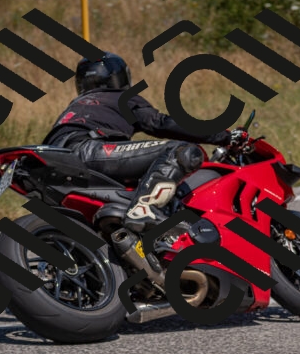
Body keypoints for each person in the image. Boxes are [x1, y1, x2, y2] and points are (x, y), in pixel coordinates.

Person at [43, 52, 232, 233]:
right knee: (182, 151)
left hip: (54, 160)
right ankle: (143, 210)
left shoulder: (75, 106)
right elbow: (159, 123)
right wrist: (223, 136)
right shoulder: (119, 97)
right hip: (88, 151)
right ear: (119, 77)